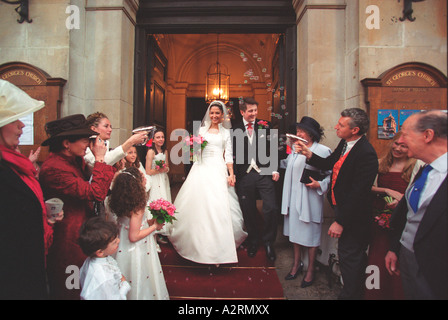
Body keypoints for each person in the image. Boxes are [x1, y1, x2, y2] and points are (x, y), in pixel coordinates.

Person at [296, 108, 378, 299]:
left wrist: (340, 221)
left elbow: (358, 194)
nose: (335, 127)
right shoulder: (344, 143)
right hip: (342, 210)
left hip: (355, 219)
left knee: (351, 258)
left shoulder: (366, 154)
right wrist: (308, 153)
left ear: (355, 130)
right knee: (349, 257)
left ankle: (351, 294)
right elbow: (329, 164)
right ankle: (353, 291)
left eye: (341, 125)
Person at [39, 114, 116, 300]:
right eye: (84, 141)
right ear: (67, 143)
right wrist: (99, 159)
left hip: (82, 235)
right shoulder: (54, 168)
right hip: (67, 241)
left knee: (85, 286)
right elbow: (96, 193)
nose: (87, 145)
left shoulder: (74, 161)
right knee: (70, 287)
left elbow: (101, 188)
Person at [0, 80, 63, 299]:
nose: (22, 126)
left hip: (30, 266)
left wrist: (46, 217)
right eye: (14, 120)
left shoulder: (16, 164)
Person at [168, 100, 247, 265]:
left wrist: (231, 174)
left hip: (218, 168)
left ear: (222, 114)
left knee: (218, 207)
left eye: (217, 113)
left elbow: (228, 155)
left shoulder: (226, 133)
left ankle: (219, 250)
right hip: (201, 167)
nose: (214, 116)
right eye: (212, 113)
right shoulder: (202, 130)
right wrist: (192, 149)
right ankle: (198, 247)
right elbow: (195, 154)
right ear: (208, 114)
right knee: (199, 205)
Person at [385, 110, 447, 300]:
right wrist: (396, 248)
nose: (401, 140)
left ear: (427, 135)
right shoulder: (425, 170)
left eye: (405, 133)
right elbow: (409, 214)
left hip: (437, 271)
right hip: (408, 259)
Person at [365, 132, 417, 299]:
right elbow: (369, 187)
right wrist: (386, 191)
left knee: (398, 262)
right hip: (380, 219)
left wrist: (400, 202)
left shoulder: (416, 167)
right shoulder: (381, 163)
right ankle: (374, 294)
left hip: (402, 222)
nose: (398, 148)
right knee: (376, 259)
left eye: (403, 146)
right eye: (396, 144)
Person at [281, 117, 331, 288]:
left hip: (310, 198)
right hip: (293, 197)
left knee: (311, 234)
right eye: (298, 131)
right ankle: (296, 264)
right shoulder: (295, 150)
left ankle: (311, 269)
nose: (299, 134)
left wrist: (320, 184)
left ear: (311, 134)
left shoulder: (323, 150)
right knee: (295, 233)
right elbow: (286, 166)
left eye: (302, 131)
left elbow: (330, 174)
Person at [108, 167, 169, 300]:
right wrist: (155, 226)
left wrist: (150, 221)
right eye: (142, 177)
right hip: (136, 247)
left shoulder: (120, 201)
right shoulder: (138, 205)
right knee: (138, 275)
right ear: (136, 184)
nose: (145, 179)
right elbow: (134, 236)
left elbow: (133, 224)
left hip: (121, 244)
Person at [232, 97, 279, 261]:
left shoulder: (266, 125)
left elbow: (273, 147)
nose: (254, 114)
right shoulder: (234, 129)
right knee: (248, 209)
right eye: (250, 111)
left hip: (264, 172)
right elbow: (232, 153)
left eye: (255, 110)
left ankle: (268, 242)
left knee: (271, 208)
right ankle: (253, 240)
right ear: (242, 112)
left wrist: (274, 168)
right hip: (245, 175)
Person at [78, 217, 131, 300]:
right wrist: (124, 285)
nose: (119, 241)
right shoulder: (105, 278)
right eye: (114, 242)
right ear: (100, 252)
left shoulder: (91, 260)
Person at [146, 128, 171, 203]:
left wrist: (165, 169)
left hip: (163, 178)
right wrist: (159, 170)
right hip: (155, 179)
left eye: (162, 137)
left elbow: (167, 167)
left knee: (164, 197)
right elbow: (148, 171)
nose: (161, 139)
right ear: (153, 140)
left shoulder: (165, 151)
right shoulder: (151, 152)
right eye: (158, 137)